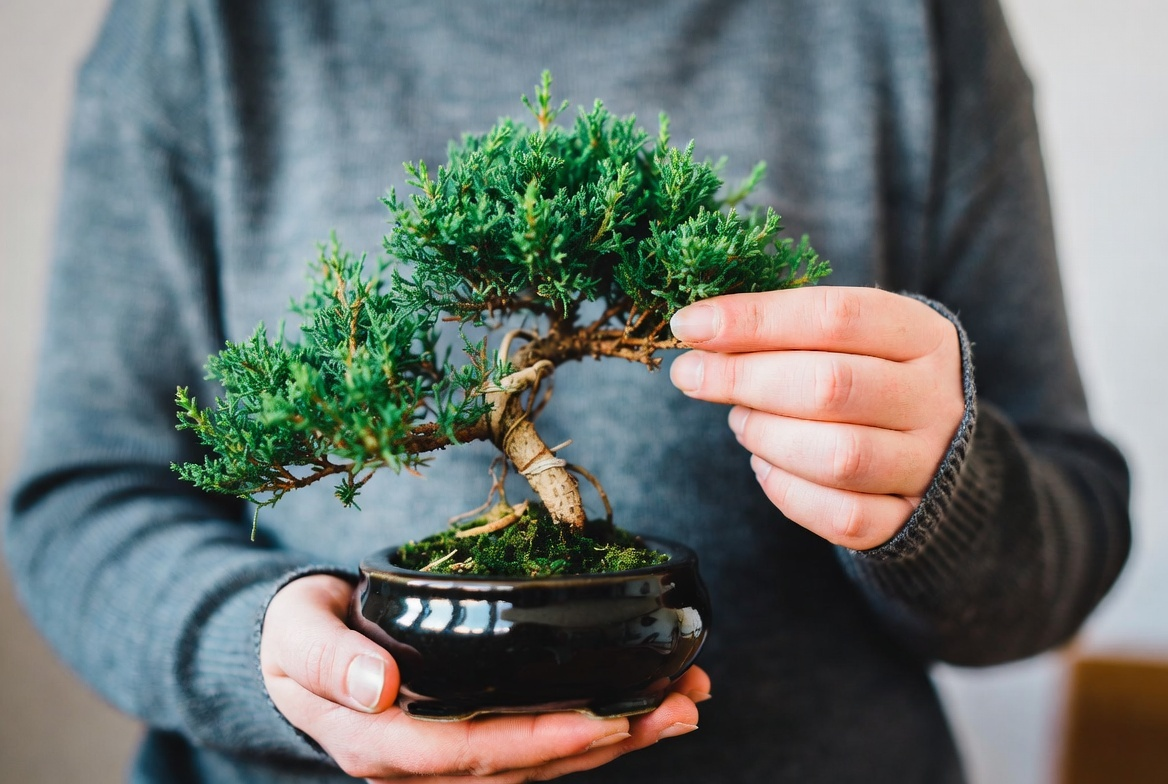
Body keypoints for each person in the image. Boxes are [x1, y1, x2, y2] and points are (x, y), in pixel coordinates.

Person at [4, 0, 1131, 782]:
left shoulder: (906, 22)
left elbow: (1074, 519)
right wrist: (258, 655)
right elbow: (84, 495)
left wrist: (944, 496)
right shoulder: (200, 26)